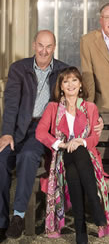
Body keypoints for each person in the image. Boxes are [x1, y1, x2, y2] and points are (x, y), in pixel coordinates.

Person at [0, 30, 68, 240]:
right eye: (40, 45)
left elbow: (76, 98)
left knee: (28, 155)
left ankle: (18, 216)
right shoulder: (19, 69)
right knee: (1, 160)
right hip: (19, 127)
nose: (44, 51)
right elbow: (11, 104)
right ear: (33, 45)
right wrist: (7, 134)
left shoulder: (63, 71)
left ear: (54, 48)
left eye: (49, 47)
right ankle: (1, 222)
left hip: (42, 129)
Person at [36, 67, 109, 243]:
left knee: (75, 168)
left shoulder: (90, 108)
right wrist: (63, 144)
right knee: (74, 156)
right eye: (66, 81)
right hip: (61, 155)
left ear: (80, 85)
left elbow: (94, 137)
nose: (70, 84)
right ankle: (95, 206)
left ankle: (80, 230)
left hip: (85, 157)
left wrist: (80, 142)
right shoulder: (53, 107)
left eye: (74, 80)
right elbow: (40, 132)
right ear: (61, 86)